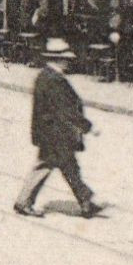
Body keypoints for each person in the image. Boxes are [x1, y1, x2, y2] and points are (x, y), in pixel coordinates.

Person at [14, 38, 104, 218]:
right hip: (54, 133)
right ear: (56, 59)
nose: (68, 62)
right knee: (48, 166)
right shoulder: (54, 80)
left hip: (51, 132)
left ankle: (85, 202)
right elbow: (66, 111)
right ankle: (23, 202)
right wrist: (88, 126)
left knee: (69, 166)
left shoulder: (45, 76)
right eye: (65, 59)